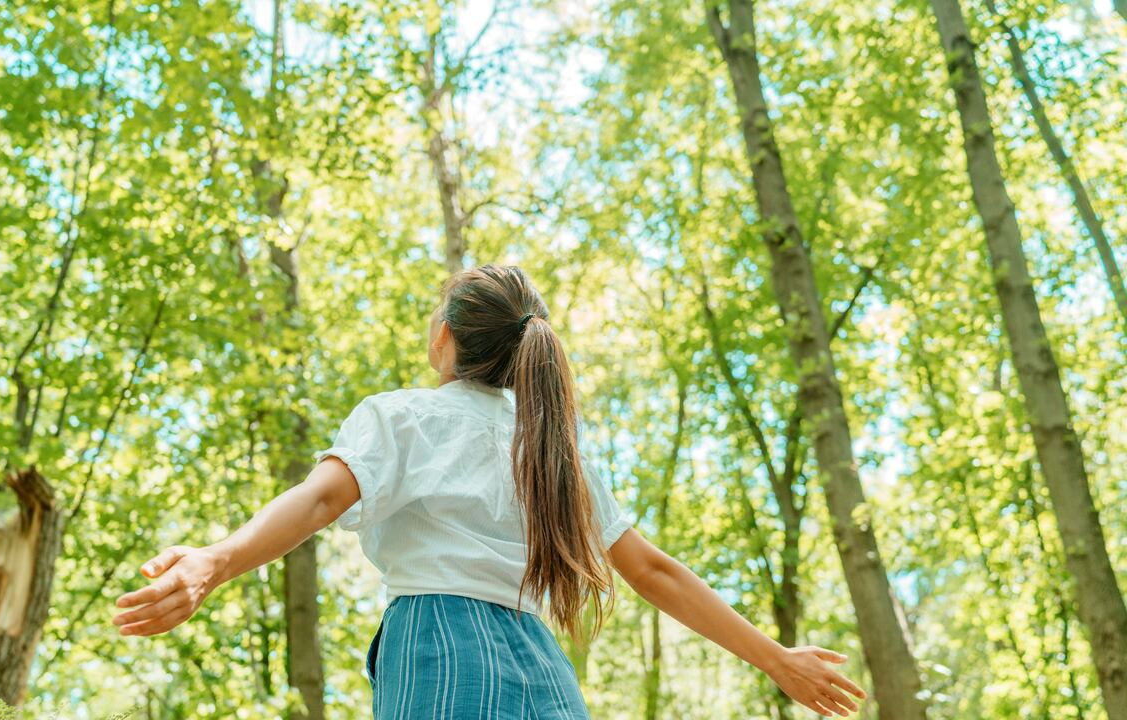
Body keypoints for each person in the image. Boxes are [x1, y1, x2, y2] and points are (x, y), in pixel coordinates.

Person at [113, 264, 867, 718]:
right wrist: (773, 658)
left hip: (439, 649)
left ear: (445, 335)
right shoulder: (550, 450)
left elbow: (317, 501)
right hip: (544, 670)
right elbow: (654, 571)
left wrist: (214, 559)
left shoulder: (404, 415)